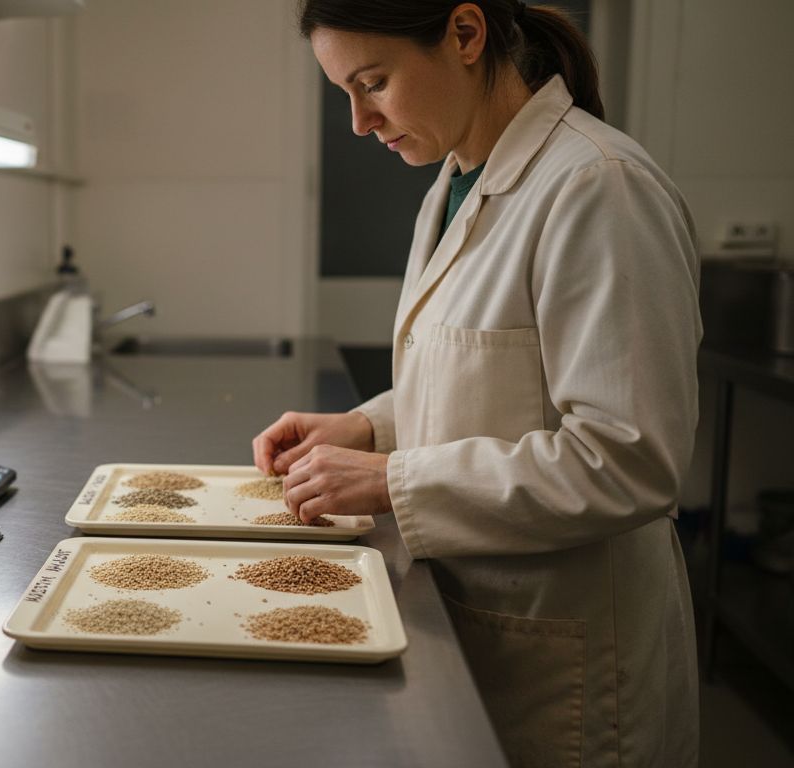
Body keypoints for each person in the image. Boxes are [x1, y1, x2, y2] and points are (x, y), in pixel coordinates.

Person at [252, 2, 701, 766]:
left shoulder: (599, 186)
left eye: (374, 83)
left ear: (465, 35)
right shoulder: (458, 181)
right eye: (344, 93)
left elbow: (629, 457)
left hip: (573, 655)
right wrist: (368, 428)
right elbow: (488, 377)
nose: (361, 121)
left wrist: (392, 479)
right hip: (483, 616)